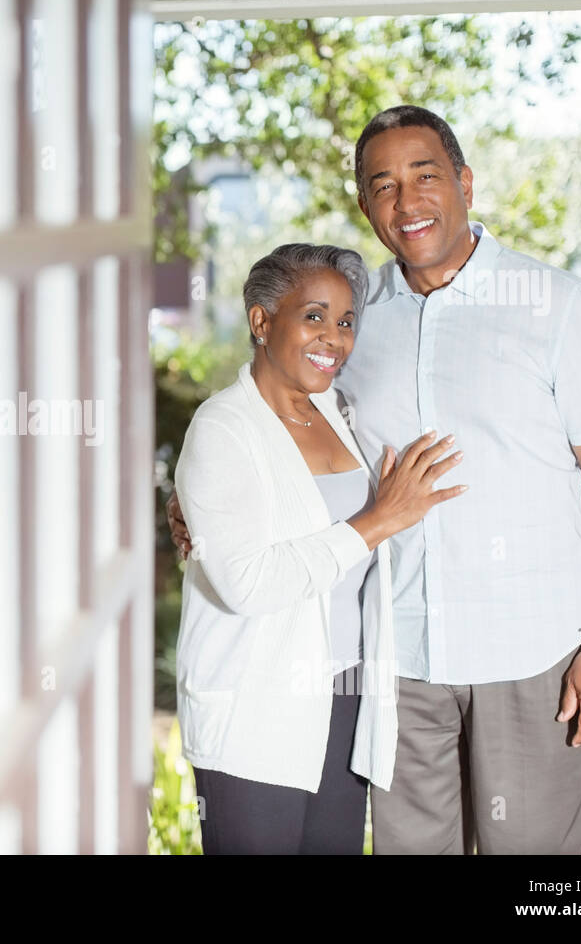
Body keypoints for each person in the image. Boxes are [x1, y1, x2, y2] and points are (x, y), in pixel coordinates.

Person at [169, 106, 581, 855]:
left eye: (425, 175)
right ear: (366, 205)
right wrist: (195, 499)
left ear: (464, 181)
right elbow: (282, 429)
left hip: (529, 656)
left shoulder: (557, 306)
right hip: (400, 671)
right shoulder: (360, 325)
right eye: (382, 184)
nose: (407, 200)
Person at [174, 242, 464, 854]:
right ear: (261, 321)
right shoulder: (224, 428)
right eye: (313, 316)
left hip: (343, 699)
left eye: (346, 321)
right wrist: (379, 519)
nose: (333, 337)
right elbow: (248, 583)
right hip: (256, 709)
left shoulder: (337, 412)